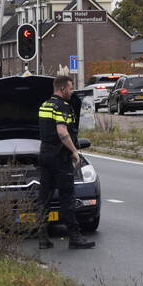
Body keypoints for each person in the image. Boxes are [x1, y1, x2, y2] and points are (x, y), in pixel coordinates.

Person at [36, 75, 94, 250]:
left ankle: (42, 238)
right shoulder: (63, 107)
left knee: (44, 198)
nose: (72, 91)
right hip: (60, 158)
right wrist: (74, 151)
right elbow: (62, 132)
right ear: (62, 89)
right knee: (67, 197)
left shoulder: (44, 105)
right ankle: (75, 237)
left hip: (44, 155)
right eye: (70, 88)